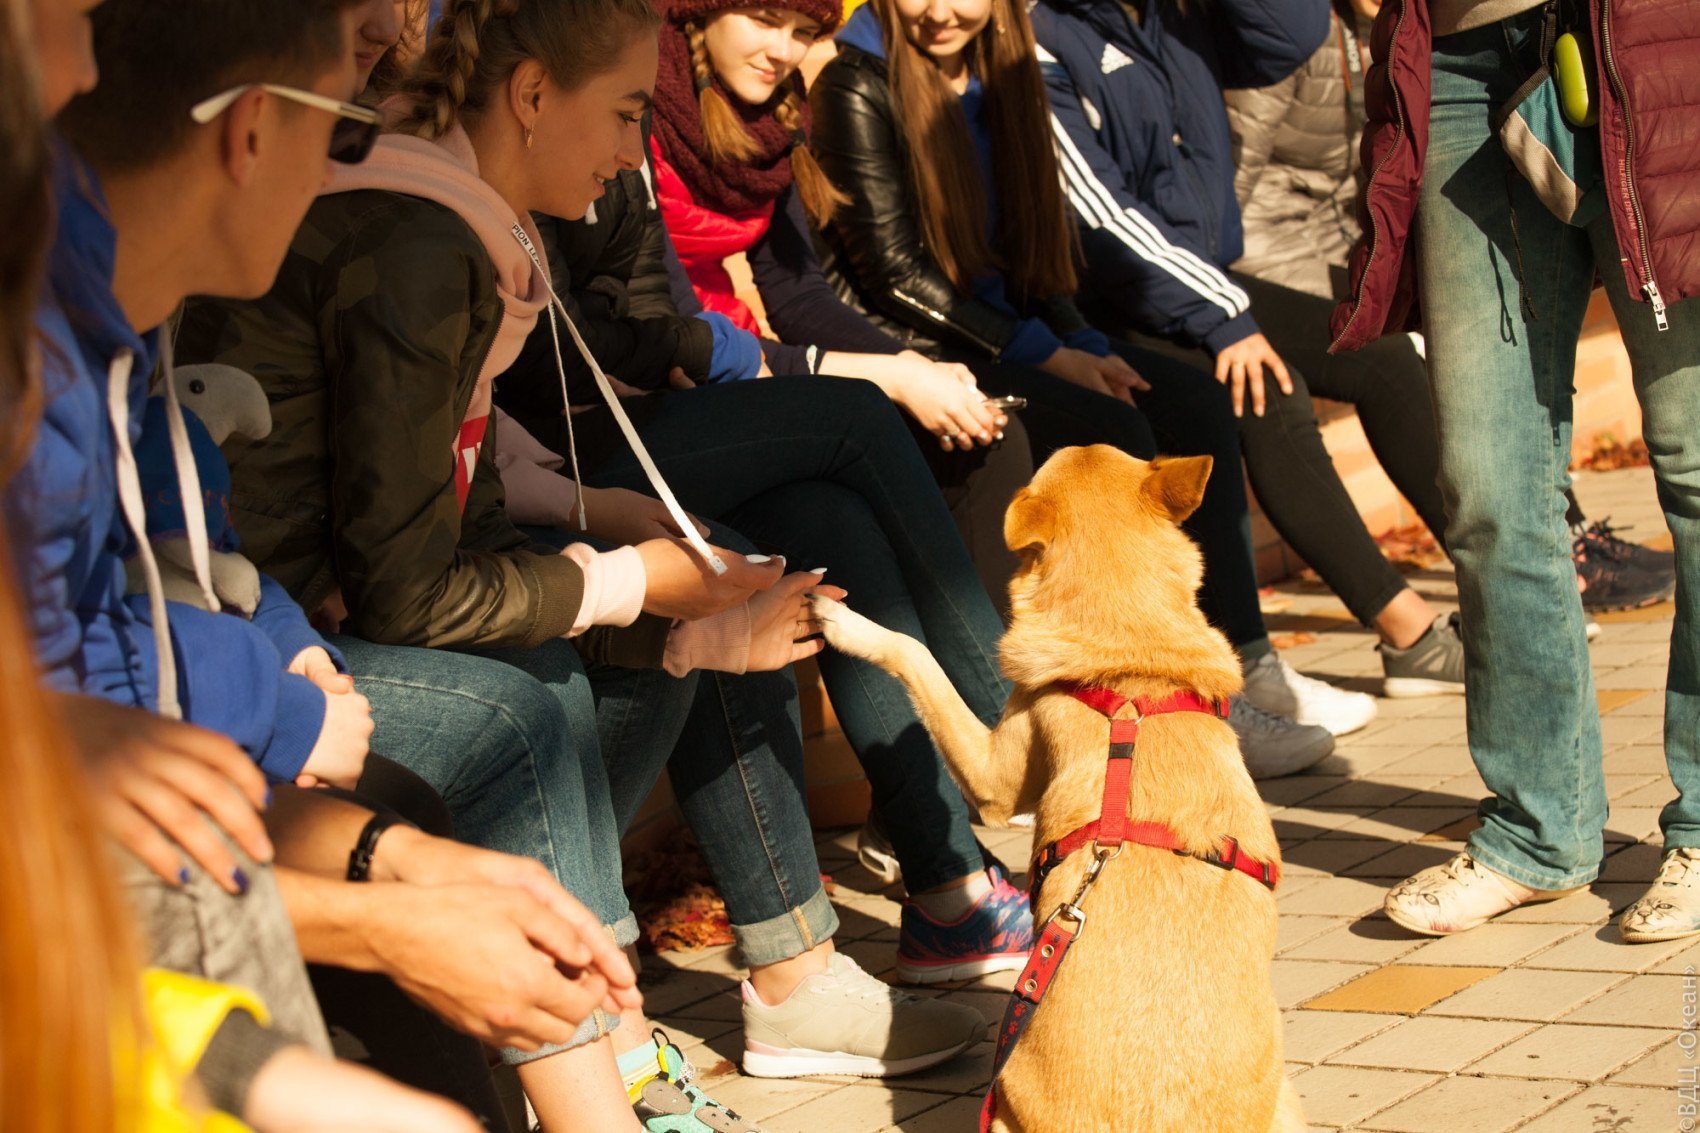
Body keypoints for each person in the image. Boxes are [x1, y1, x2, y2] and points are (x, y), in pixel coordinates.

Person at [174, 1, 987, 1127]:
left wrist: (651, 579)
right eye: (620, 114)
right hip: (290, 637)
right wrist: (640, 583)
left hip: (317, 605)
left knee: (664, 630)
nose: (629, 149)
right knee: (527, 704)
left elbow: (458, 487)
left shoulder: (467, 223)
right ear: (528, 95)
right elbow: (406, 583)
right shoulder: (421, 238)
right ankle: (615, 1057)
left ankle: (659, 1014)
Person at [4, 1, 486, 1129]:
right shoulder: (38, 343)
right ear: (253, 130)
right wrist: (378, 898)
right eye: (344, 129)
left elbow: (160, 562)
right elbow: (56, 709)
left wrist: (281, 658)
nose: (83, 62)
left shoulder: (99, 307)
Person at [807, 0, 1354, 774]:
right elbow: (894, 276)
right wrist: (1049, 354)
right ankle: (1133, 705)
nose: (938, 11)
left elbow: (1039, 253)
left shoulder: (1007, 75)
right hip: (923, 350)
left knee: (1187, 399)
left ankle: (1233, 666)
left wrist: (1085, 346)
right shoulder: (857, 85)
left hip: (1011, 332)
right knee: (1112, 435)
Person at [1330, 0, 1700, 942]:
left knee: (1696, 463)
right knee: (1489, 487)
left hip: (1643, 41)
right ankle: (1540, 830)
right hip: (1455, 63)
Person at [1031, 0, 1477, 713]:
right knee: (1268, 389)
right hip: (1114, 297)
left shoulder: (1171, 15)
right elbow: (1104, 222)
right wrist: (1222, 317)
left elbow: (1290, 31)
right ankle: (1404, 636)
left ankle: (1497, 586)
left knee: (1383, 357)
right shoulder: (1045, 38)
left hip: (1201, 278)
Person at [1224, 0, 1674, 621]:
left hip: (1339, 243)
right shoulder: (1289, 36)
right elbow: (1227, 202)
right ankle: (1544, 563)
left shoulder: (1379, 36)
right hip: (1269, 261)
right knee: (1412, 357)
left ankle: (1558, 545)